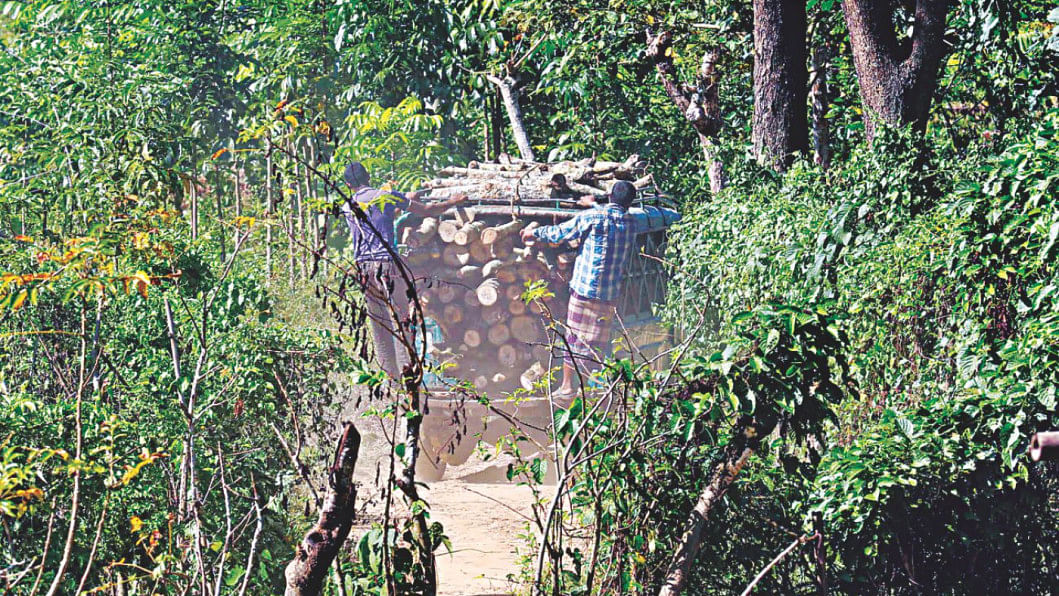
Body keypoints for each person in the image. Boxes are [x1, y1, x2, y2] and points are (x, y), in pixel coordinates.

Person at [520, 180, 679, 397]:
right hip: (608, 294)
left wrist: (535, 234)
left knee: (573, 339)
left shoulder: (592, 217)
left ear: (610, 197)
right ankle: (591, 389)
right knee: (597, 343)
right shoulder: (632, 222)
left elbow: (560, 232)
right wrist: (594, 204)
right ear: (629, 203)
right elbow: (616, 214)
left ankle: (567, 387)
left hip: (584, 291)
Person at [341, 161, 467, 382]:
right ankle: (408, 380)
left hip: (363, 269)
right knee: (401, 322)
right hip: (386, 266)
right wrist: (453, 201)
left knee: (380, 325)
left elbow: (380, 216)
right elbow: (427, 210)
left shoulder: (348, 206)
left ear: (348, 184)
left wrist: (407, 198)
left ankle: (390, 382)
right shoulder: (386, 197)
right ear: (368, 177)